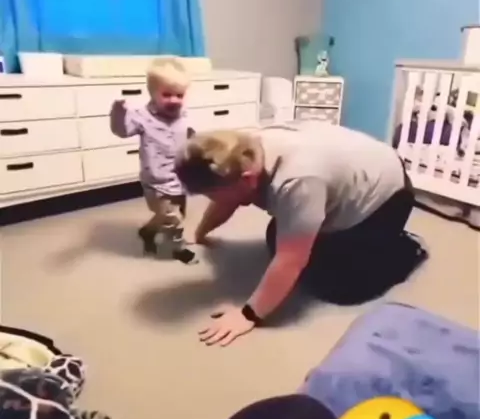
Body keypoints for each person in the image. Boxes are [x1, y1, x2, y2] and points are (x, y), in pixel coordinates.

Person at [175, 121, 428, 345]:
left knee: (339, 289)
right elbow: (227, 199)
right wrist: (201, 233)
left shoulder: (298, 180)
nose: (212, 200)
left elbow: (291, 260)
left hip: (386, 199)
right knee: (278, 237)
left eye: (212, 195)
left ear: (248, 179)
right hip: (352, 172)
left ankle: (405, 251)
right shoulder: (235, 149)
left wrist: (248, 315)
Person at [110, 57, 198, 265]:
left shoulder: (183, 116)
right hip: (157, 181)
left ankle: (147, 231)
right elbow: (122, 130)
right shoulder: (142, 117)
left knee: (174, 214)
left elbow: (191, 139)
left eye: (179, 95)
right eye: (166, 94)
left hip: (179, 179)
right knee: (173, 218)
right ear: (152, 92)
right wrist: (118, 113)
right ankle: (176, 249)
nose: (174, 100)